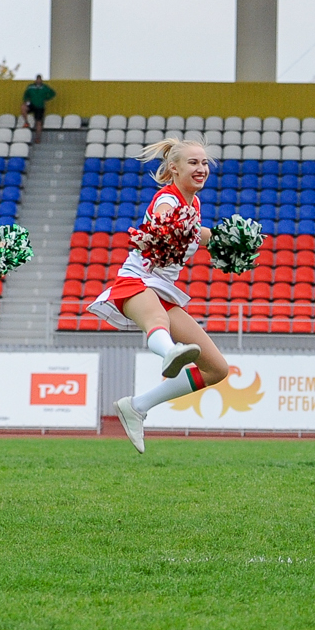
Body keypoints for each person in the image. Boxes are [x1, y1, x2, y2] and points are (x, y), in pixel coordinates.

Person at [92, 138, 231, 453]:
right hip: (137, 280)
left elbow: (198, 233)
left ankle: (137, 406)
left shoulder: (193, 204)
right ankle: (169, 353)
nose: (201, 168)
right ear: (174, 168)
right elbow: (162, 216)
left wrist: (230, 240)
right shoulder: (166, 199)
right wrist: (164, 224)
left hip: (163, 289)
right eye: (193, 163)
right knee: (156, 320)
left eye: (204, 163)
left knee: (216, 369)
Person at [22, 75, 56, 143]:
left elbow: (53, 93)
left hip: (40, 106)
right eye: (37, 79)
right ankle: (26, 122)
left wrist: (46, 98)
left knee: (38, 123)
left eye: (39, 79)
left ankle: (37, 138)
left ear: (41, 80)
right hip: (32, 104)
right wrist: (26, 101)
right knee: (23, 107)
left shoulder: (45, 87)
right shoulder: (30, 86)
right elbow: (26, 94)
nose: (38, 81)